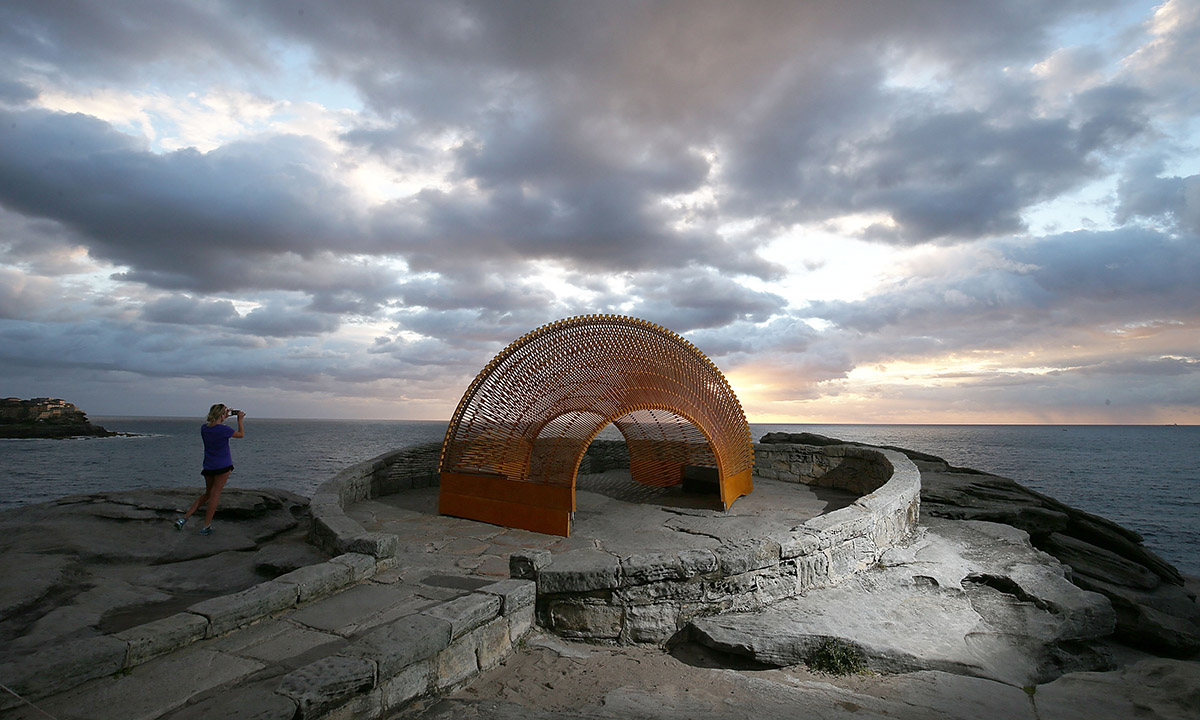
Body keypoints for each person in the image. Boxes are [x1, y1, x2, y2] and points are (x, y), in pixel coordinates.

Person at [175, 403, 244, 535]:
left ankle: (184, 519)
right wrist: (239, 420)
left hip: (209, 466)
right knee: (215, 495)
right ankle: (206, 526)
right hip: (223, 466)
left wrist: (223, 416)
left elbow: (215, 425)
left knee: (207, 494)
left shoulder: (204, 428)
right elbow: (241, 434)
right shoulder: (224, 430)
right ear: (222, 415)